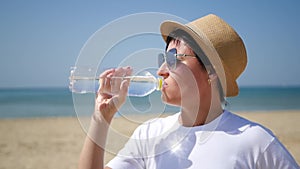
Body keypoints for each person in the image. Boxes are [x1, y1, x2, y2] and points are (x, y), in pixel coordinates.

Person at [78, 14, 299, 169]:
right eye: (163, 59)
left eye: (174, 58)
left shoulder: (256, 141)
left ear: (212, 72)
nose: (161, 70)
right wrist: (101, 119)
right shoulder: (149, 135)